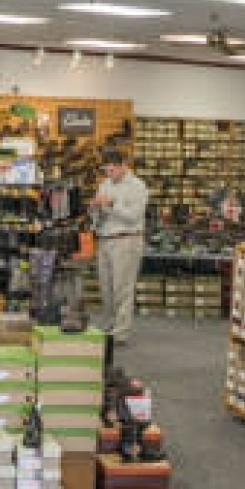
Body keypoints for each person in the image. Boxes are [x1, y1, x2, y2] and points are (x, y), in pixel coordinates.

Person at [89, 145, 148, 345]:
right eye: (106, 170)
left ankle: (120, 333)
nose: (109, 174)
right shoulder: (105, 184)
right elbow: (98, 214)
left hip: (126, 239)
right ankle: (110, 325)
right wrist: (95, 208)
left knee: (122, 288)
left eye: (112, 170)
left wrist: (112, 204)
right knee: (106, 288)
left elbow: (134, 216)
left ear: (123, 166)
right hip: (105, 239)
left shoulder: (138, 186)